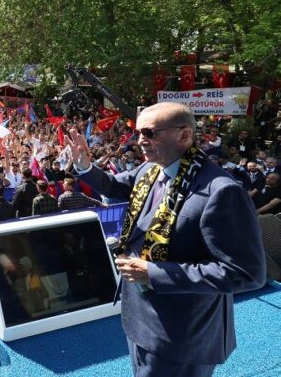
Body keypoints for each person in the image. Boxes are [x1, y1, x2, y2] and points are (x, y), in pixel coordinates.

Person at [67, 102, 266, 376]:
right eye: (138, 133)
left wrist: (154, 272)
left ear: (184, 135)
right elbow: (113, 186)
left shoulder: (222, 192)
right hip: (140, 317)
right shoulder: (149, 171)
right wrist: (84, 166)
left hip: (182, 333)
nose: (140, 142)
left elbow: (246, 273)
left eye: (149, 133)